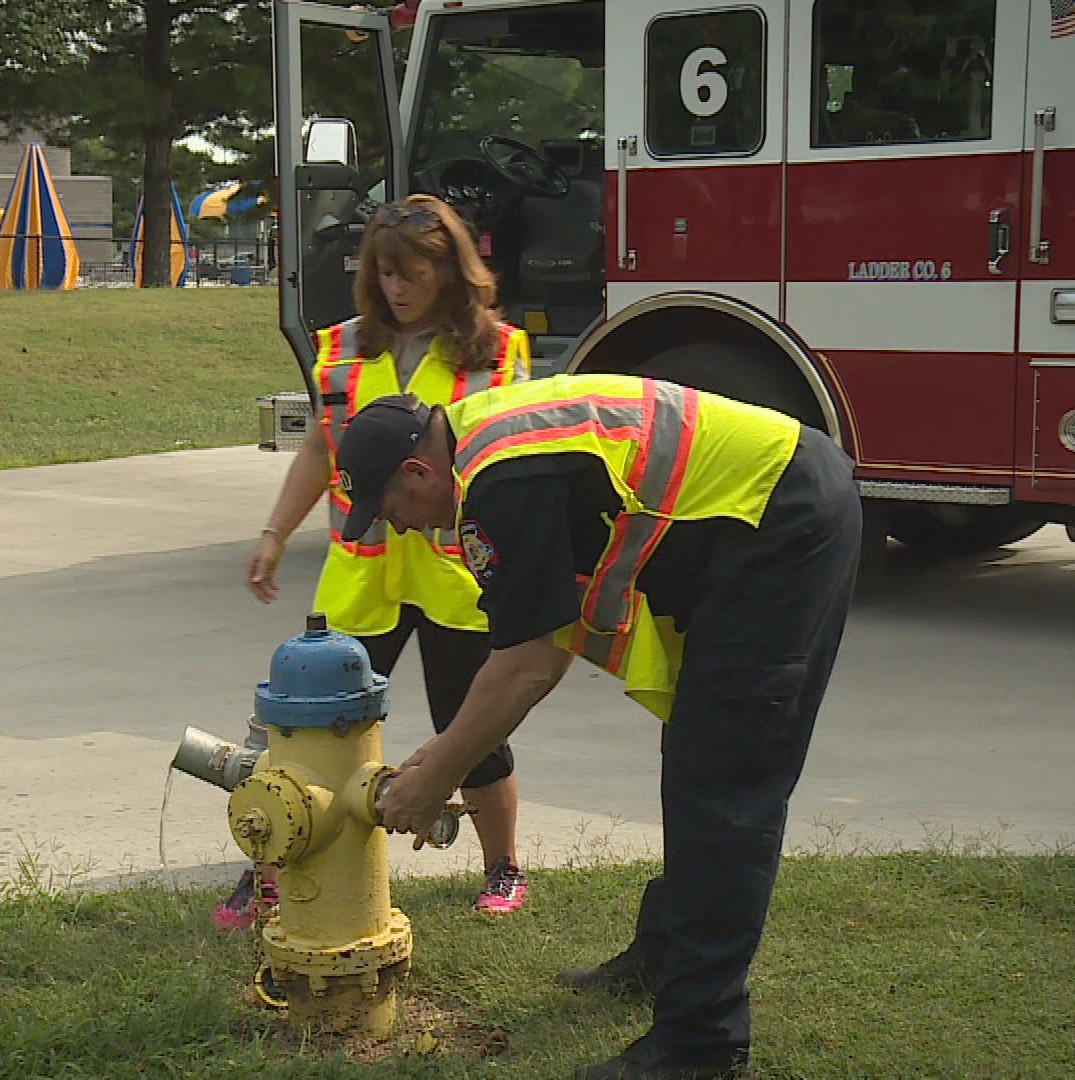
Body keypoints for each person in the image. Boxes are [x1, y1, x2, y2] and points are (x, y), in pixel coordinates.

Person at [343, 379, 860, 1080]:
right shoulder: (481, 447)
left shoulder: (499, 478)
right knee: (699, 756)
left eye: (390, 509)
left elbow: (528, 665)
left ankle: (700, 1047)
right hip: (769, 502)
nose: (398, 527)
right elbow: (543, 636)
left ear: (417, 472)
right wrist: (442, 753)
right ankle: (668, 954)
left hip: (783, 518)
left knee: (727, 783)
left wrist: (438, 775)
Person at [220, 193, 535, 930]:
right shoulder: (340, 349)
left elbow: (514, 460)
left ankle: (503, 865)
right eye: (384, 273)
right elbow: (318, 449)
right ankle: (268, 870)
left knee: (474, 725)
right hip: (360, 575)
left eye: (413, 274)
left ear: (450, 272)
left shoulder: (498, 351)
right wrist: (273, 533)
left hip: (457, 575)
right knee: (306, 728)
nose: (396, 289)